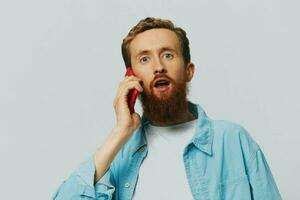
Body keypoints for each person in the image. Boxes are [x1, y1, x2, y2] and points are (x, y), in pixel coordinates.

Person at [52, 17, 282, 200]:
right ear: (131, 77)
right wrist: (120, 132)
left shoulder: (233, 141)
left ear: (188, 70)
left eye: (168, 55)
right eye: (144, 59)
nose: (159, 67)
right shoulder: (119, 156)